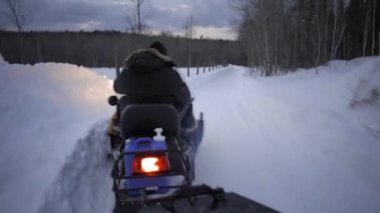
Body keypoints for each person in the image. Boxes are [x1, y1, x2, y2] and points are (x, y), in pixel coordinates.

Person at [109, 41, 195, 140]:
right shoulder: (170, 73)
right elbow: (185, 97)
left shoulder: (130, 69)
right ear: (163, 56)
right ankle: (186, 137)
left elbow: (117, 88)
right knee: (187, 104)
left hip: (132, 120)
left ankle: (117, 139)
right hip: (165, 122)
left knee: (121, 103)